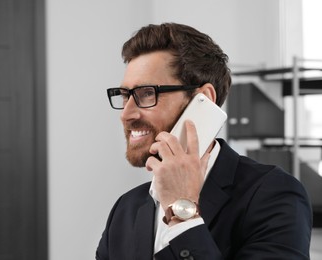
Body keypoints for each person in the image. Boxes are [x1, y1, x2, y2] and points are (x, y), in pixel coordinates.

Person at [96, 23, 312, 260]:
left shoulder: (274, 194)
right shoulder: (125, 209)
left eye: (147, 93)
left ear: (203, 100)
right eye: (126, 95)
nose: (126, 113)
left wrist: (182, 210)